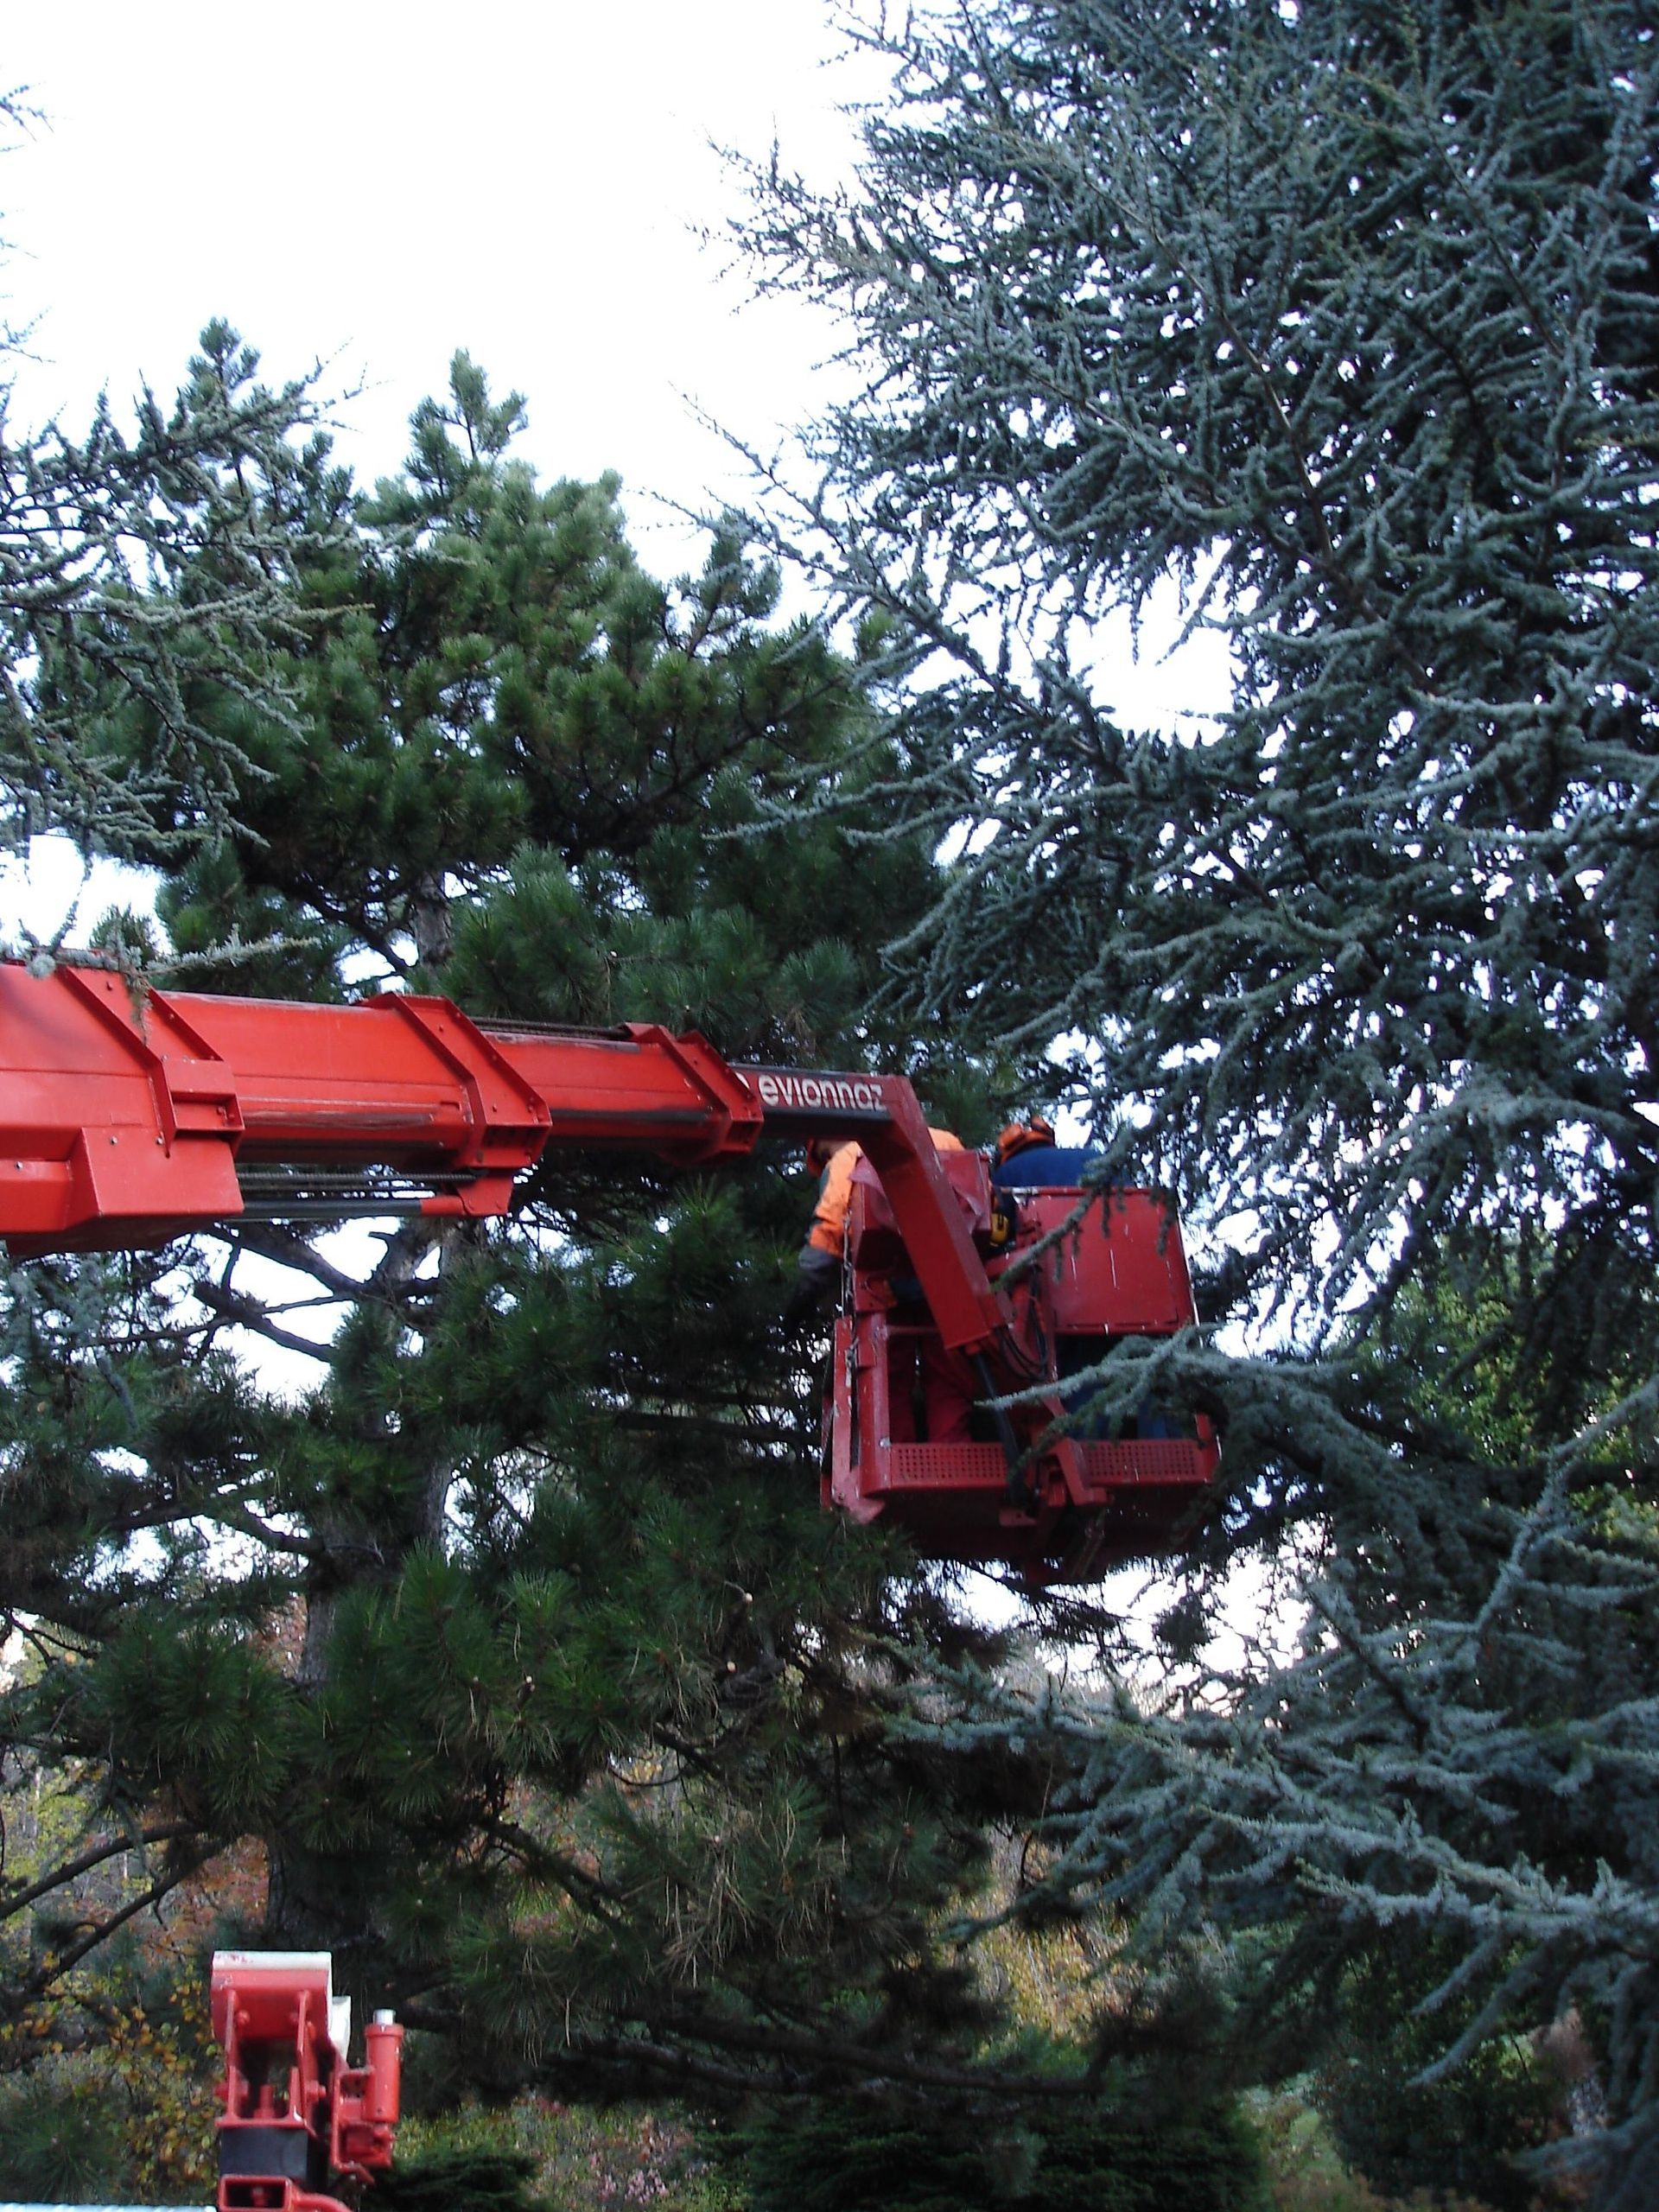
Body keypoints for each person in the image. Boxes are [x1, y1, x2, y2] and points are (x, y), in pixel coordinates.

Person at [785, 1128, 974, 1445]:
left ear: (826, 1141)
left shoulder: (846, 1159)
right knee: (950, 1377)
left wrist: (800, 1299)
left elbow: (830, 1232)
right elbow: (981, 1202)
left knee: (888, 1380)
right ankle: (954, 1453)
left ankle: (897, 1455)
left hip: (885, 1291)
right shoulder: (946, 1140)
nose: (827, 1159)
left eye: (823, 1154)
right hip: (951, 1284)